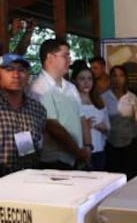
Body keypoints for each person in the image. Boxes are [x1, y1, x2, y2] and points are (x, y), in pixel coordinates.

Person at [30, 38, 92, 170]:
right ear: (50, 58)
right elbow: (53, 127)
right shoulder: (40, 88)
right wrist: (78, 152)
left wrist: (87, 146)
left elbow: (82, 119)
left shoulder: (70, 87)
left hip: (77, 158)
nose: (69, 60)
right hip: (55, 161)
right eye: (65, 55)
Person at [0, 53, 46, 176]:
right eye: (9, 69)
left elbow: (35, 147)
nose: (16, 75)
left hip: (27, 179)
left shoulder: (37, 109)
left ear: (27, 76)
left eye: (21, 70)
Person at [101, 65, 137, 179]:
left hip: (129, 145)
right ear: (110, 78)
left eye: (121, 76)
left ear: (125, 78)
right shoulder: (104, 98)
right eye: (114, 76)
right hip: (110, 144)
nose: (117, 79)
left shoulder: (132, 98)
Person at [72, 65, 110, 170]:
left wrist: (104, 128)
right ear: (75, 81)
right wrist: (84, 127)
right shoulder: (73, 102)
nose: (86, 82)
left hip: (99, 150)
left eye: (89, 79)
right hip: (82, 152)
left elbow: (108, 127)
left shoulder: (99, 101)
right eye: (82, 79)